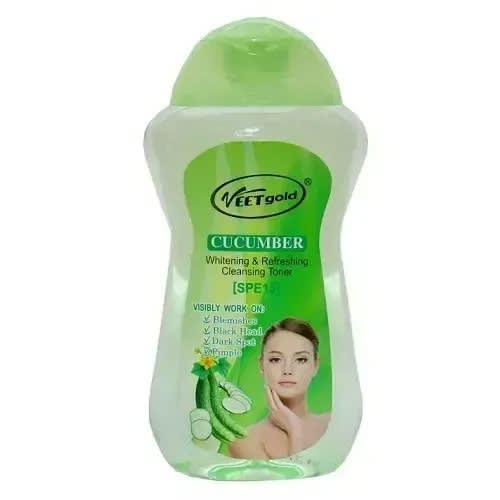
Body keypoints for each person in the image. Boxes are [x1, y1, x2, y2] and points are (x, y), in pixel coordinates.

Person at [228, 318, 330, 459]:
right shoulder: (244, 441)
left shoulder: (332, 424)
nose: (287, 370)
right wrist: (295, 430)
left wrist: (295, 429)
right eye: (276, 359)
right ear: (261, 365)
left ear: (315, 366)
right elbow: (296, 473)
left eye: (301, 359)